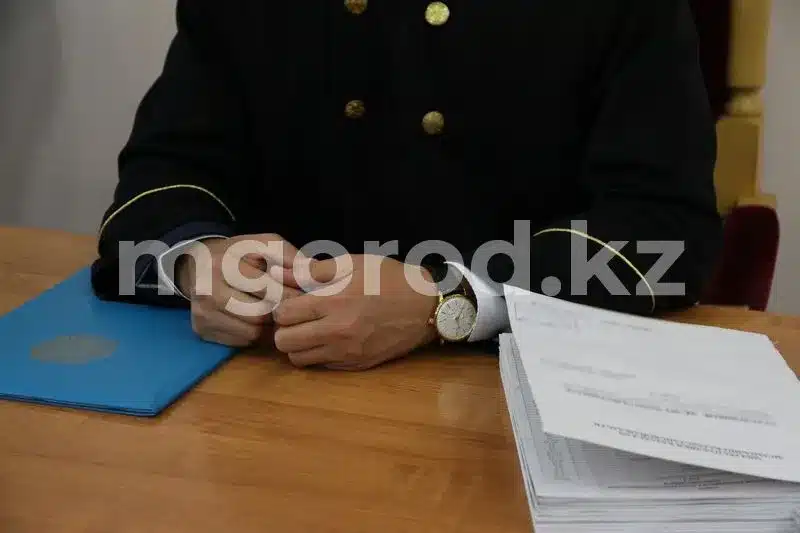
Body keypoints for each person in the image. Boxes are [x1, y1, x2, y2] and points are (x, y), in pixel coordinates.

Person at [92, 0, 723, 370]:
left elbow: (662, 233)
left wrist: (448, 301)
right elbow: (162, 174)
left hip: (504, 400)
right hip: (267, 385)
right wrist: (198, 259)